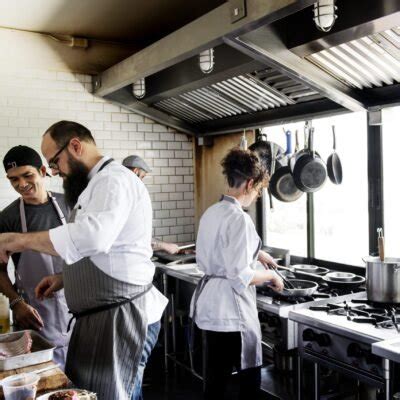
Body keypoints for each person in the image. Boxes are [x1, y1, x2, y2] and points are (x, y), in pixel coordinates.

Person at [0, 121, 168, 400]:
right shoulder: (94, 186)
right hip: (100, 316)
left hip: (122, 315)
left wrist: (16, 240)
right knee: (89, 392)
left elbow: (92, 238)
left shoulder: (113, 180)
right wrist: (65, 278)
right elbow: (105, 253)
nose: (54, 171)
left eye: (54, 162)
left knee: (115, 395)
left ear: (75, 146)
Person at [190, 148, 284, 400]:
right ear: (250, 183)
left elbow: (223, 254)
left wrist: (258, 254)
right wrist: (272, 277)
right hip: (232, 314)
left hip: (210, 309)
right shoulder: (240, 219)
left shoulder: (212, 212)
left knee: (215, 384)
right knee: (248, 385)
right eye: (257, 191)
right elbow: (241, 275)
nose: (256, 196)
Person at [0, 145, 70, 368]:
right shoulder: (8, 217)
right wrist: (16, 302)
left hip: (78, 305)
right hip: (37, 313)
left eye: (27, 175)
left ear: (42, 170)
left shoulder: (70, 204)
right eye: (13, 179)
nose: (21, 184)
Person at [122, 155, 180, 255]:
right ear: (136, 171)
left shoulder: (121, 191)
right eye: (142, 177)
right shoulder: (129, 195)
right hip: (129, 260)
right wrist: (165, 246)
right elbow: (136, 237)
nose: (141, 181)